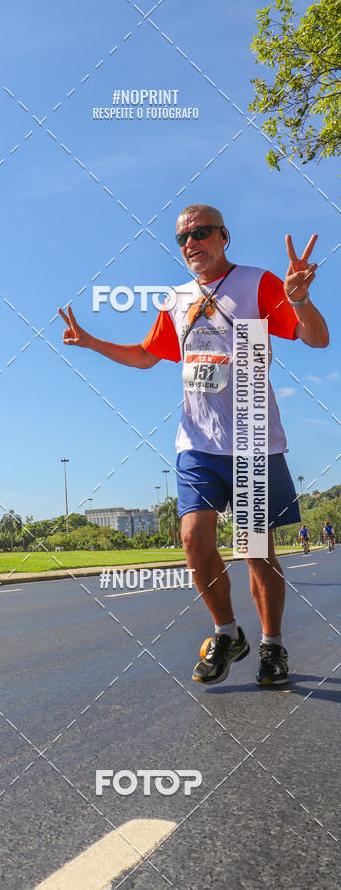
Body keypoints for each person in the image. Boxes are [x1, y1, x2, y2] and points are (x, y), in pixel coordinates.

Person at [59, 203, 329, 687]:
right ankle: (227, 633)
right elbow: (146, 356)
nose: (191, 243)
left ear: (224, 237)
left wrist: (300, 301)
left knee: (256, 552)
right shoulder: (178, 299)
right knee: (193, 539)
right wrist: (90, 340)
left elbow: (318, 339)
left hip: (252, 439)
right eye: (182, 237)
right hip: (197, 444)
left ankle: (272, 646)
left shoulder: (257, 284)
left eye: (201, 233)